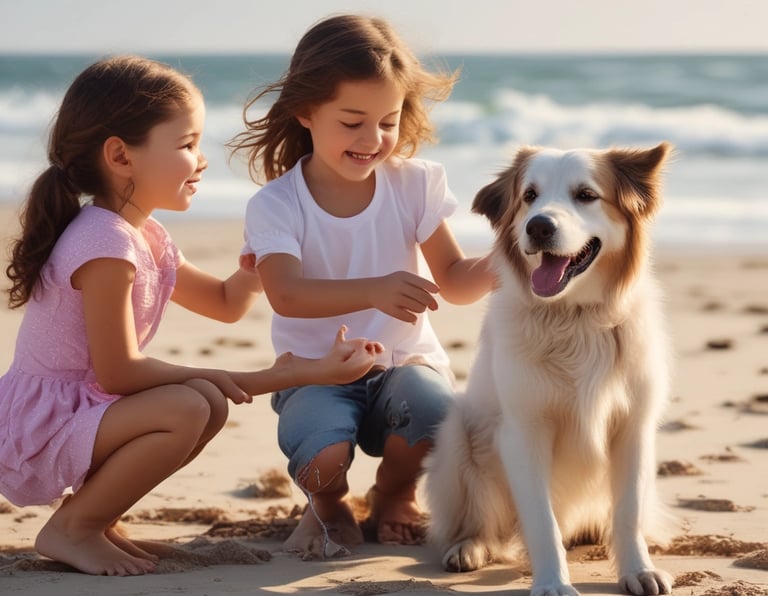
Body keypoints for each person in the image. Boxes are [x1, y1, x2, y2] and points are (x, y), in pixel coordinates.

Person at [0, 55, 384, 577]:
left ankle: (95, 519)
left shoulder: (148, 236)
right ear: (120, 155)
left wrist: (255, 265)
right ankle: (73, 529)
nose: (201, 159)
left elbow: (225, 304)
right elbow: (119, 372)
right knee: (189, 405)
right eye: (186, 145)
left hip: (86, 409)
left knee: (205, 403)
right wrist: (285, 374)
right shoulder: (104, 244)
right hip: (46, 423)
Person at [229, 14, 496, 559]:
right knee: (321, 458)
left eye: (388, 121)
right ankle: (327, 504)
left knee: (440, 416)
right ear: (306, 111)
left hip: (403, 366)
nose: (373, 139)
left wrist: (514, 257)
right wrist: (374, 289)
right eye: (351, 122)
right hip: (316, 373)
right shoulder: (277, 204)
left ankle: (394, 493)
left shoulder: (414, 184)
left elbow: (457, 283)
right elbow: (287, 295)